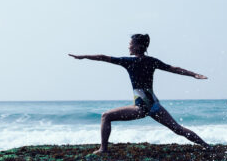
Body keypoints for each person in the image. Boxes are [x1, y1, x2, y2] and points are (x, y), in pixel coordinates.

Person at [69, 34, 209, 154]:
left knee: (106, 116)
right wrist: (194, 74)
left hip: (141, 107)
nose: (128, 46)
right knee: (177, 128)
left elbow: (103, 57)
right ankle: (206, 146)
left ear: (137, 46)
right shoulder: (152, 61)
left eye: (130, 44)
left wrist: (84, 56)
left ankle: (103, 149)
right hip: (154, 105)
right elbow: (174, 69)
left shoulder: (128, 62)